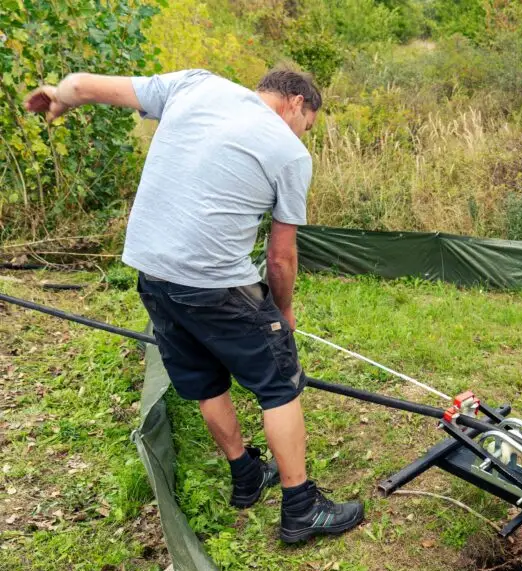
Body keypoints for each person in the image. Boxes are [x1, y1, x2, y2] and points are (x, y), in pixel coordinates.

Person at [23, 68, 364, 543]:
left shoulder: (194, 85)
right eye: (306, 123)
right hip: (214, 285)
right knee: (280, 385)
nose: (301, 133)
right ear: (296, 102)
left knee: (205, 380)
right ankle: (301, 507)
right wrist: (281, 315)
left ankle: (246, 474)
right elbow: (281, 257)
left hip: (153, 273)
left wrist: (59, 98)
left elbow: (80, 85)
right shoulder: (290, 153)